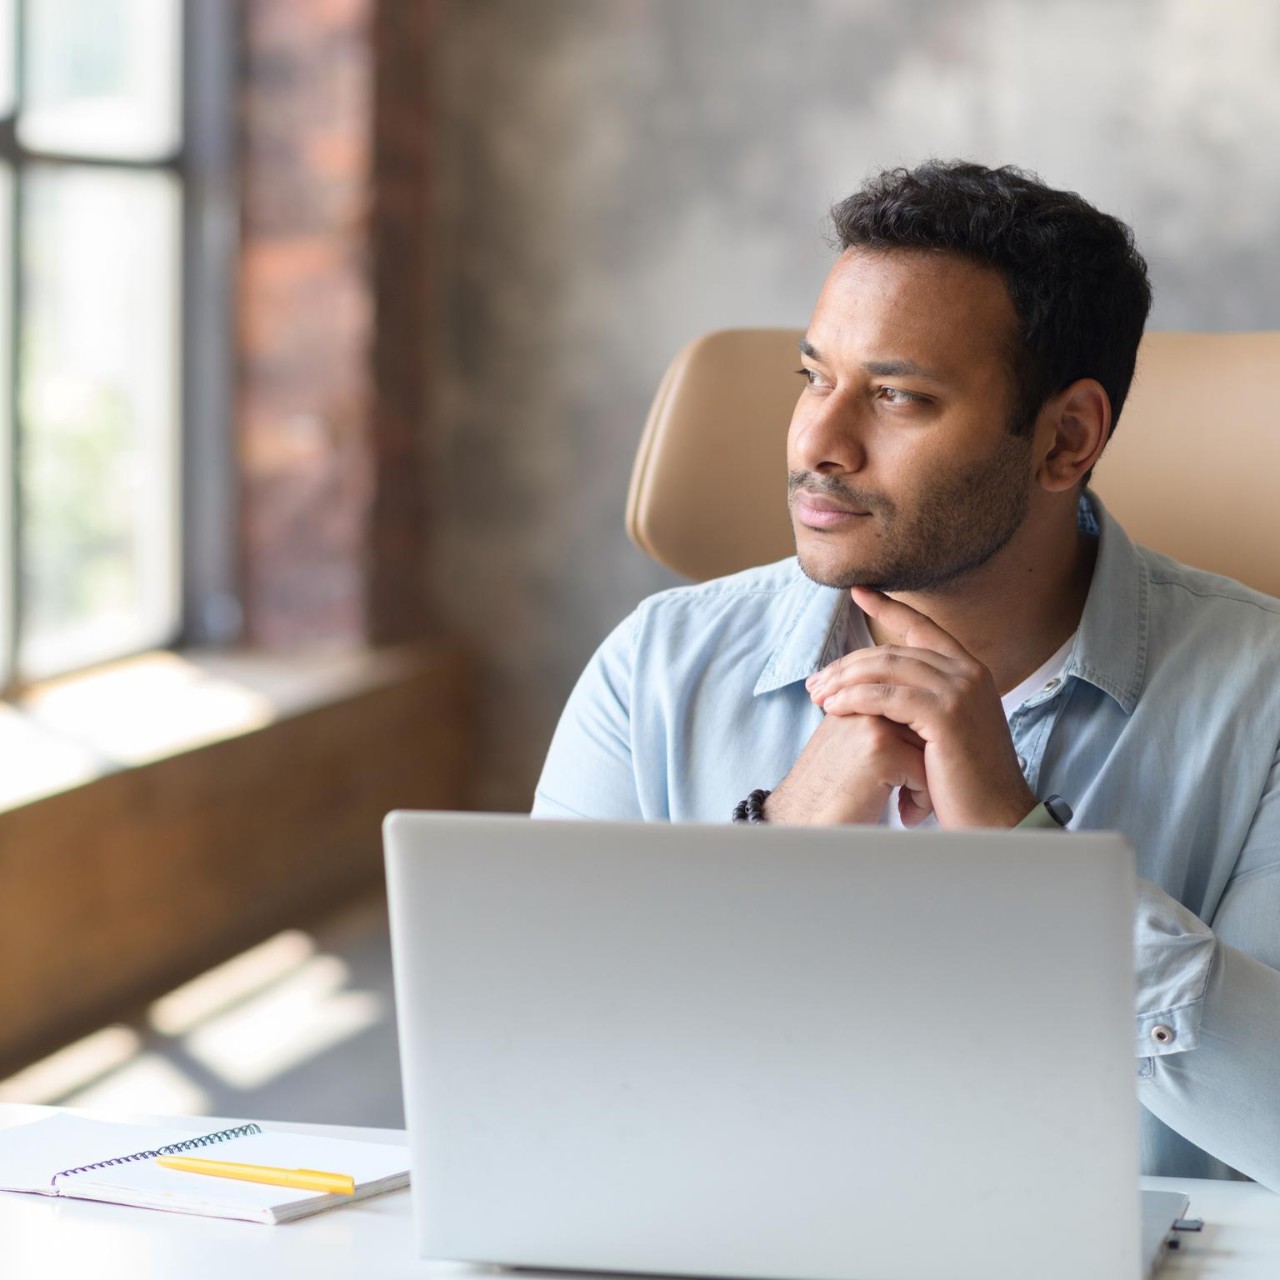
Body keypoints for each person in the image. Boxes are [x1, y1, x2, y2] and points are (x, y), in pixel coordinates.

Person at [532, 161, 1280, 1189]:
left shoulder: (1263, 700)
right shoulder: (654, 669)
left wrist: (1032, 870)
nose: (817, 442)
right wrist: (778, 849)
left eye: (895, 397)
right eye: (812, 377)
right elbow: (541, 1101)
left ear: (1065, 438)